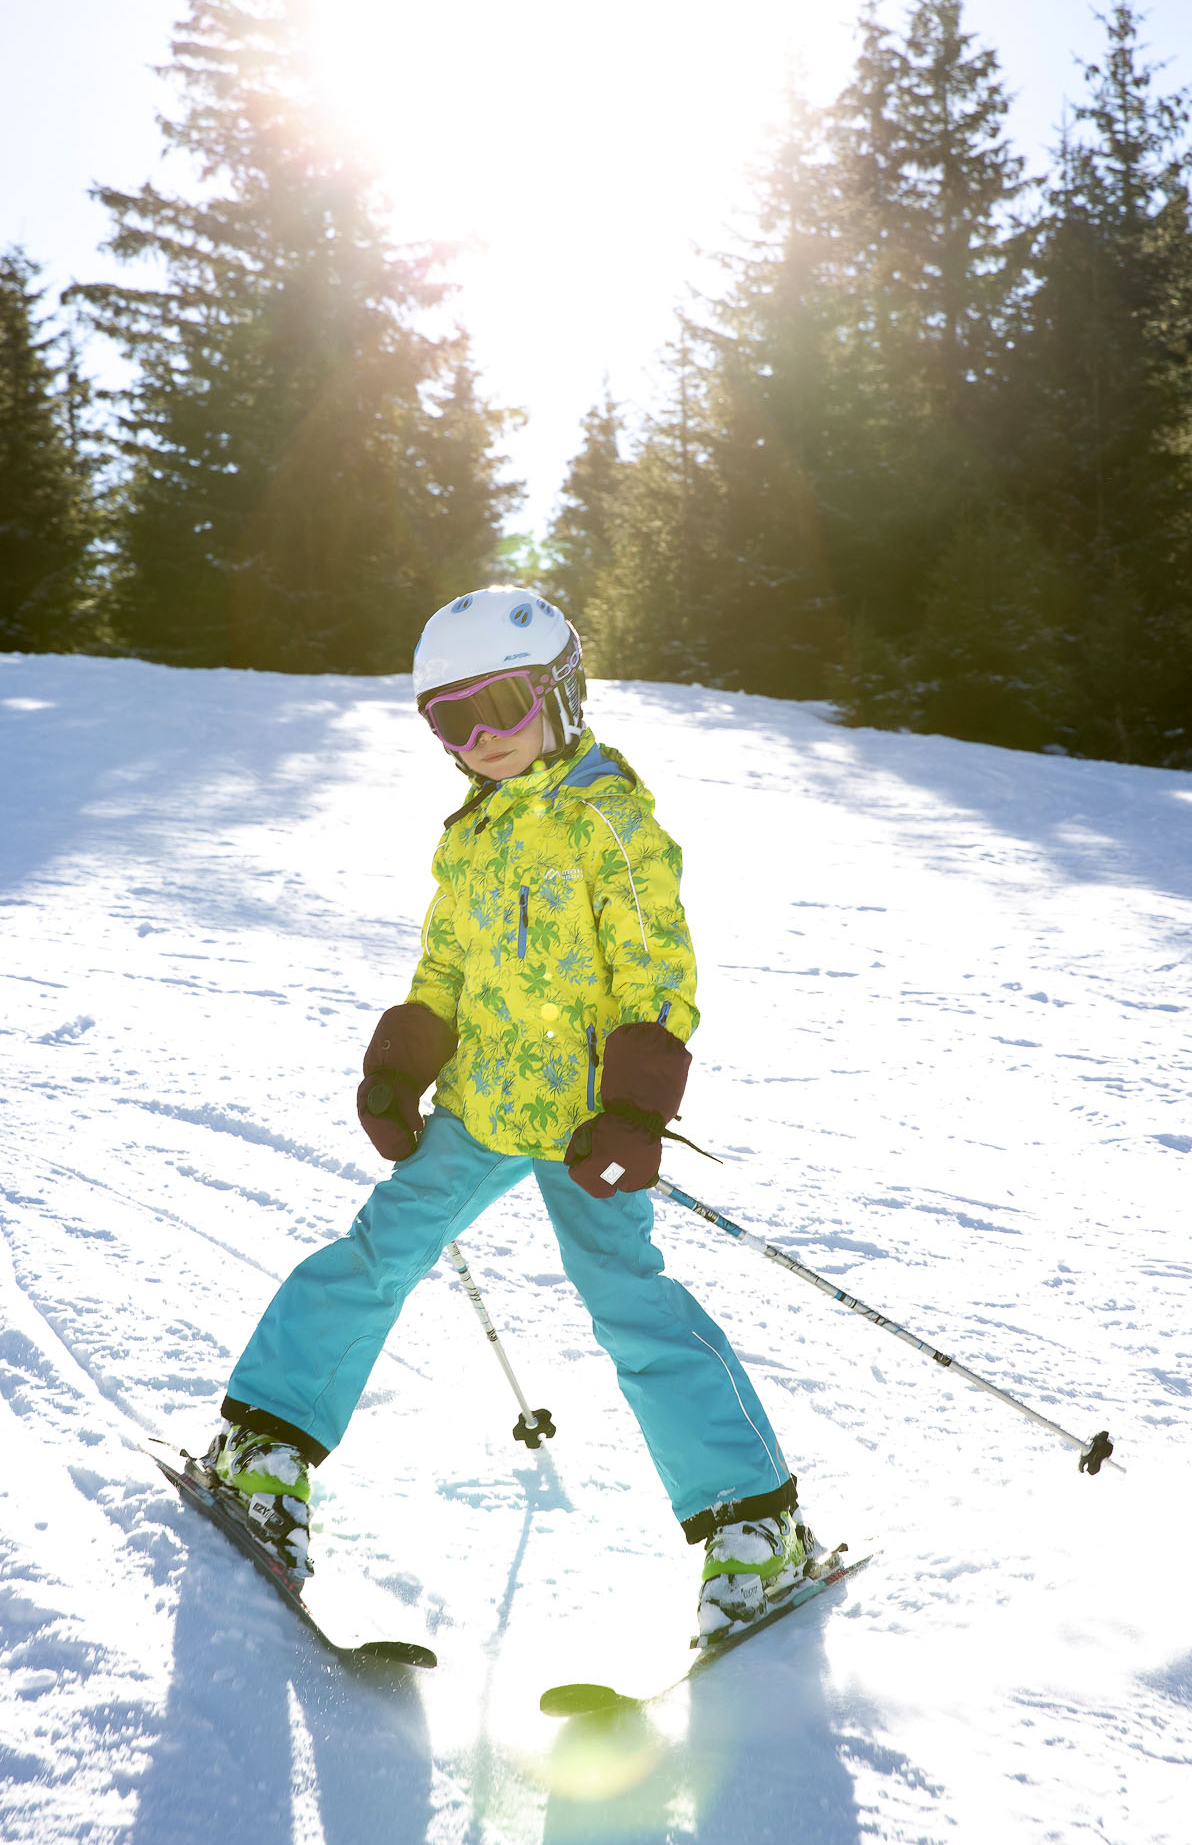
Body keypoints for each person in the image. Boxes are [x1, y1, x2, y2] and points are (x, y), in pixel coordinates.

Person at [201, 585, 818, 1640]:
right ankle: (262, 1447)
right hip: (480, 1109)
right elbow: (444, 964)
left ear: (560, 691)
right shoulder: (471, 834)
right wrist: (401, 1067)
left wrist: (634, 1111)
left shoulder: (609, 818)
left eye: (500, 705)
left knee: (630, 1305)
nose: (481, 737)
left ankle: (755, 1527)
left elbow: (656, 970)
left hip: (585, 1129)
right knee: (375, 1256)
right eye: (451, 719)